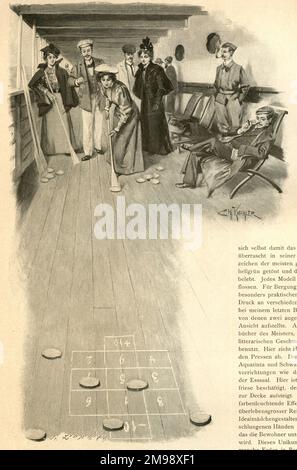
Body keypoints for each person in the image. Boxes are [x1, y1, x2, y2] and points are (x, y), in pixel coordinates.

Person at [176, 106, 275, 197]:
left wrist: (242, 149)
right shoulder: (253, 126)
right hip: (229, 147)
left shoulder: (268, 135)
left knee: (213, 141)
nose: (259, 121)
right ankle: (188, 182)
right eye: (258, 118)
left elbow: (261, 153)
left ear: (269, 120)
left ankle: (192, 147)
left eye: (263, 119)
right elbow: (231, 134)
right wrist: (241, 130)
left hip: (239, 155)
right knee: (196, 153)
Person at [28, 43, 79, 156]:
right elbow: (33, 84)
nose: (52, 59)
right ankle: (51, 150)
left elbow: (67, 86)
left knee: (64, 121)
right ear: (46, 58)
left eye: (54, 57)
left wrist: (66, 99)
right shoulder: (42, 72)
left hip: (60, 97)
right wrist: (46, 92)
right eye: (49, 57)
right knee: (51, 125)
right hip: (49, 99)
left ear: (56, 58)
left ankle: (67, 148)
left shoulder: (61, 71)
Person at [95, 64, 144, 175]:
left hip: (129, 115)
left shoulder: (120, 89)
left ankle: (125, 167)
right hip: (119, 113)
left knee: (124, 140)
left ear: (113, 79)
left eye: (108, 79)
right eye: (103, 80)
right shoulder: (104, 87)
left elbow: (126, 110)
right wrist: (107, 109)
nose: (106, 82)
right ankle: (116, 164)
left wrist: (117, 128)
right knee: (116, 140)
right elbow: (108, 98)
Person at [133, 37, 174, 155]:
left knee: (155, 123)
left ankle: (159, 148)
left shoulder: (157, 69)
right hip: (145, 101)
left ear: (150, 57)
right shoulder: (140, 70)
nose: (143, 59)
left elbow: (161, 88)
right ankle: (148, 147)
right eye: (141, 57)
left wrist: (156, 102)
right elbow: (137, 87)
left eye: (146, 57)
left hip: (155, 101)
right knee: (146, 122)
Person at [68, 39, 105, 161]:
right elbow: (70, 80)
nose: (87, 53)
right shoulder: (77, 65)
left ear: (92, 50)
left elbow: (108, 76)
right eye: (84, 51)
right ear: (81, 53)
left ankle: (98, 147)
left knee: (99, 123)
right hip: (86, 100)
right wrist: (76, 81)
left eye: (88, 50)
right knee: (87, 126)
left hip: (99, 97)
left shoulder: (100, 62)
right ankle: (88, 152)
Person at [214, 42, 250, 134]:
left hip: (233, 99)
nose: (222, 54)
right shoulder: (218, 69)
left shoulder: (238, 68)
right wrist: (217, 96)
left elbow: (245, 86)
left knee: (235, 125)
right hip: (220, 99)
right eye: (222, 52)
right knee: (222, 125)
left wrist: (238, 100)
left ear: (231, 53)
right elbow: (215, 85)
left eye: (225, 52)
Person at [116, 44, 140, 108]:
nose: (130, 56)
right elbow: (116, 84)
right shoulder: (119, 67)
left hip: (136, 99)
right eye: (128, 54)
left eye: (132, 54)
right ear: (124, 55)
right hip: (124, 98)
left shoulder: (137, 68)